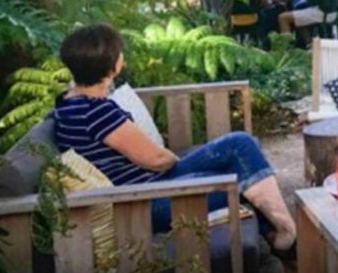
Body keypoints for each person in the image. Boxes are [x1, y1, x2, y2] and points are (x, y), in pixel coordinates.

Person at [52, 24, 296, 256]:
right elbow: (157, 160)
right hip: (143, 203)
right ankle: (287, 235)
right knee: (243, 169)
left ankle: (280, 236)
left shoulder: (69, 102)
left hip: (142, 189)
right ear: (113, 65)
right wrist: (173, 160)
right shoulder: (96, 112)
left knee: (241, 147)